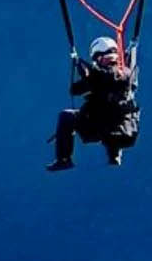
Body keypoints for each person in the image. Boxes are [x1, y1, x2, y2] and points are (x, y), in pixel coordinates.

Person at [47, 35, 138, 171]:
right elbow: (77, 89)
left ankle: (64, 159)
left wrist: (80, 65)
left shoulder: (116, 74)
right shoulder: (125, 71)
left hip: (106, 128)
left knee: (66, 116)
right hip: (122, 131)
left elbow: (101, 77)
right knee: (109, 110)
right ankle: (114, 156)